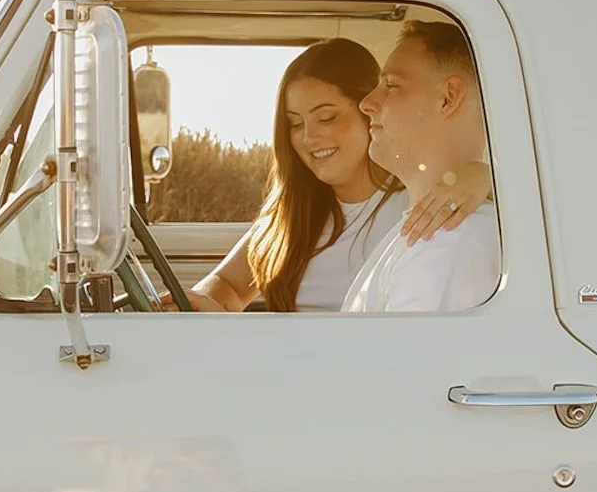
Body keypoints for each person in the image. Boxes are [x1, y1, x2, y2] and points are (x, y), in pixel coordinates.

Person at [184, 38, 488, 312]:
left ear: (367, 113)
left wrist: (482, 175)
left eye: (326, 118)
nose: (308, 138)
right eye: (295, 124)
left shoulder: (424, 207)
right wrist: (197, 304)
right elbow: (227, 285)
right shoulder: (293, 213)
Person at [342, 21, 500, 313]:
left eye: (391, 85)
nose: (366, 103)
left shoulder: (448, 240)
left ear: (447, 98)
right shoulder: (430, 230)